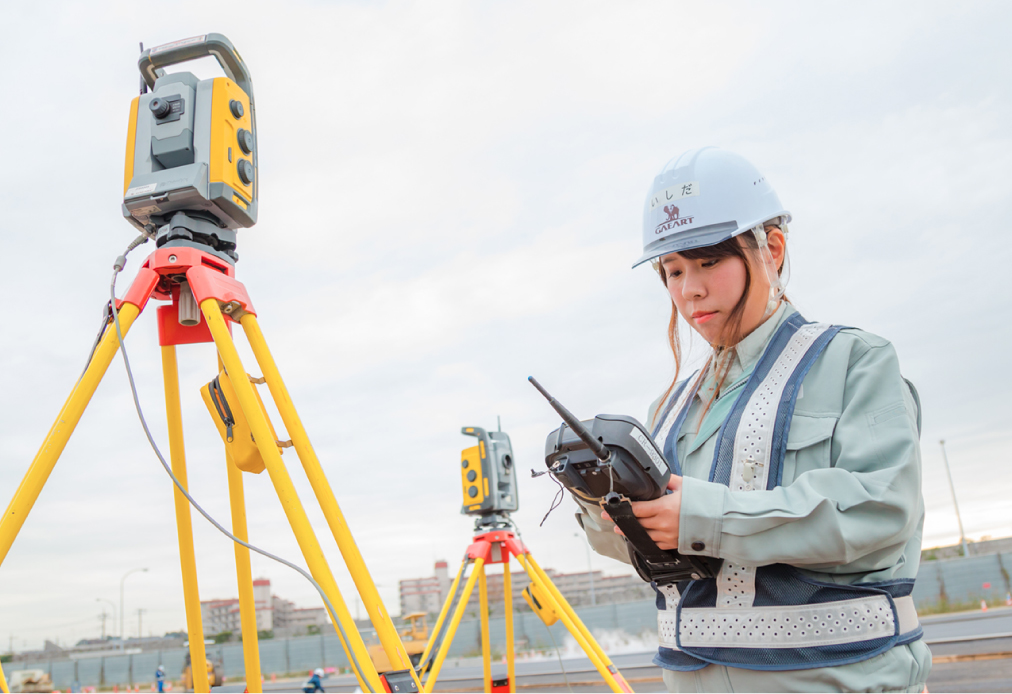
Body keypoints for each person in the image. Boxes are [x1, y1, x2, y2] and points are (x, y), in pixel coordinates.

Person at [575, 147, 931, 692]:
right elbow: (656, 555)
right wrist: (608, 512)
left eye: (708, 262)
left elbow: (879, 508)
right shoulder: (668, 410)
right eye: (672, 270)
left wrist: (703, 519)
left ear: (772, 249)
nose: (688, 289)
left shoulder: (854, 362)